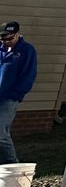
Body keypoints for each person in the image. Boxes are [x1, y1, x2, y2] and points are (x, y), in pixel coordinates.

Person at [0, 22, 36, 165]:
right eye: (3, 39)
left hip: (9, 98)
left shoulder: (27, 51)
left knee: (0, 132)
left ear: (18, 34)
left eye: (10, 38)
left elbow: (28, 76)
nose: (6, 42)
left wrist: (16, 94)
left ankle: (12, 164)